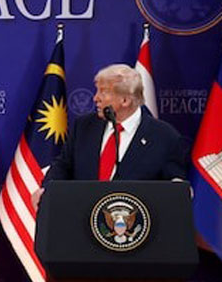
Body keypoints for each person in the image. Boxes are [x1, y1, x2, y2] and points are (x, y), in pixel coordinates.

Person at [33, 64, 187, 206]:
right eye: (97, 90)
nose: (96, 98)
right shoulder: (84, 126)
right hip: (82, 216)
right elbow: (63, 165)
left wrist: (179, 186)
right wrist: (47, 189)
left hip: (133, 224)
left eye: (103, 92)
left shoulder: (164, 136)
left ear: (125, 100)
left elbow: (174, 183)